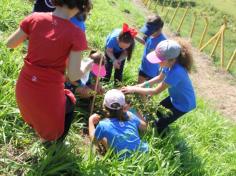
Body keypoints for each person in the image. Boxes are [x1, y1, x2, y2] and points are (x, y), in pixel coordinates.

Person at [6, 0, 93, 142]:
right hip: (48, 96)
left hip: (24, 91)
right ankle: (53, 142)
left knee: (36, 109)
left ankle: (39, 126)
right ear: (82, 6)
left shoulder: (35, 18)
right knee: (70, 102)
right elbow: (73, 76)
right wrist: (87, 65)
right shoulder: (76, 34)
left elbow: (10, 43)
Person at [122, 39, 196, 134]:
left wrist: (134, 89)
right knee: (158, 111)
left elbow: (155, 91)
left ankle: (160, 135)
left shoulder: (177, 72)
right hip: (175, 97)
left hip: (184, 104)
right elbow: (159, 78)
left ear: (171, 60)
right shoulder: (169, 64)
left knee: (160, 125)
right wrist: (143, 85)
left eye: (159, 60)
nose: (157, 63)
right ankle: (158, 124)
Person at [89, 89, 148, 159]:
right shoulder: (130, 115)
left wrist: (91, 121)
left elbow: (94, 141)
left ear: (104, 105)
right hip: (144, 154)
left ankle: (111, 152)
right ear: (124, 105)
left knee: (103, 136)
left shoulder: (103, 124)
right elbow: (145, 127)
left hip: (122, 160)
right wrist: (135, 111)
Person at [136, 15, 166, 84]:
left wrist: (160, 72)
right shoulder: (150, 35)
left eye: (150, 31)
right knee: (139, 86)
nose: (148, 33)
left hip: (152, 72)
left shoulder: (163, 43)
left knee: (146, 90)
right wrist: (134, 36)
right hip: (143, 67)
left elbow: (164, 60)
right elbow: (145, 42)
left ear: (159, 29)